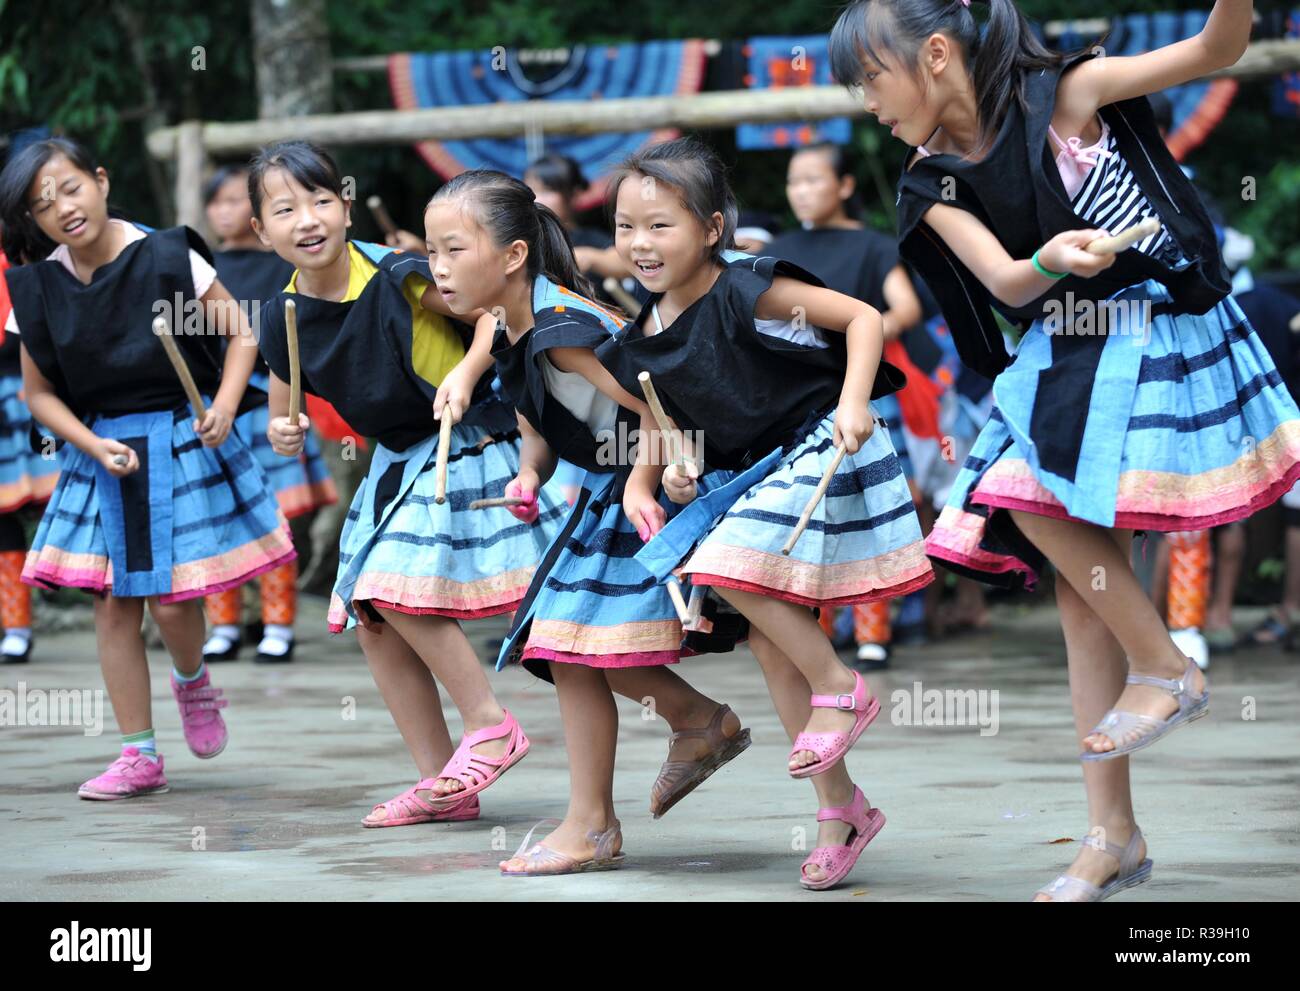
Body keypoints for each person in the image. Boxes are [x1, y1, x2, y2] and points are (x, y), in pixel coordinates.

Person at [832, 0, 1298, 898]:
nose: (867, 102)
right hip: (1059, 355)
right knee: (1071, 579)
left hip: (1153, 332)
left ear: (934, 55)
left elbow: (1217, 47)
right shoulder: (929, 183)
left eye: (872, 77)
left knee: (1061, 553)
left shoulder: (1069, 94)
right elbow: (1007, 280)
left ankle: (1163, 673)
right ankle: (1111, 829)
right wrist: (1054, 258)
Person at [598, 136, 933, 889]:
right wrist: (645, 483)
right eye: (625, 226)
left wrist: (854, 402)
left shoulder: (747, 284)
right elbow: (662, 415)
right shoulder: (641, 336)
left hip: (820, 447)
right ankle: (841, 812)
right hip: (747, 478)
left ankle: (843, 687)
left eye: (660, 225)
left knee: (720, 564)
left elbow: (863, 320)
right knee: (772, 648)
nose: (639, 244)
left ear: (712, 228)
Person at [425, 167, 754, 873]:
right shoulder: (510, 323)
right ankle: (694, 723)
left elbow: (660, 399)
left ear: (513, 256)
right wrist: (528, 471)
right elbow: (541, 418)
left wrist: (640, 481)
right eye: (432, 252)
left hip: (656, 479)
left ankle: (596, 823)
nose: (438, 268)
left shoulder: (563, 327)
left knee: (566, 644)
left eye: (454, 249)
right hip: (611, 484)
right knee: (566, 645)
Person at [250, 141, 566, 826]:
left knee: (392, 589)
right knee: (374, 617)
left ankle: (490, 724)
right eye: (285, 208)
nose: (307, 219)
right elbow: (284, 398)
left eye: (320, 200)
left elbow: (493, 312)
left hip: (468, 436)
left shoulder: (401, 275)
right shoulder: (280, 314)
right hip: (397, 457)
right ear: (259, 231)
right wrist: (284, 428)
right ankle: (444, 784)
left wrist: (468, 368)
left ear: (345, 205)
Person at [0, 137, 296, 798]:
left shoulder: (167, 255)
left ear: (101, 180)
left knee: (168, 603)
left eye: (70, 188)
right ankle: (139, 753)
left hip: (181, 437)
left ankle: (192, 680)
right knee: (113, 607)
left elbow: (242, 331)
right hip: (105, 451)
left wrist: (223, 403)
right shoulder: (38, 287)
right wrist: (91, 442)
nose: (62, 209)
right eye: (42, 204)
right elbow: (39, 394)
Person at [201, 164, 338, 662]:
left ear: (259, 216)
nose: (226, 210)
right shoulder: (203, 268)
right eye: (218, 201)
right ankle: (223, 625)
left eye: (237, 200)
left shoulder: (286, 267)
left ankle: (279, 623)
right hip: (216, 409)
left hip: (268, 401)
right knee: (218, 514)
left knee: (274, 519)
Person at [0, 245, 59, 662]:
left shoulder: (17, 262)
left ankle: (19, 627)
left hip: (21, 395)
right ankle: (13, 626)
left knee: (58, 503)